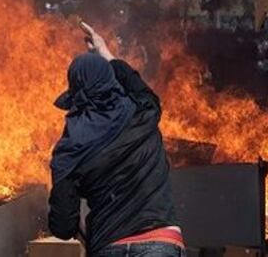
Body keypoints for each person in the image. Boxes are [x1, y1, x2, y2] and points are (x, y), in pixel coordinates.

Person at [49, 23, 183, 257]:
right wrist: (105, 52)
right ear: (110, 81)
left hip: (108, 247)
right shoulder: (144, 112)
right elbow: (133, 82)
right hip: (161, 245)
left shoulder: (68, 151)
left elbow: (62, 227)